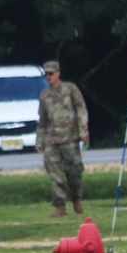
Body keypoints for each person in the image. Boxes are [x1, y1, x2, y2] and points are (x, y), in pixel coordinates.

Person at [36, 60, 89, 217]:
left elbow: (81, 109)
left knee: (74, 171)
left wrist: (83, 130)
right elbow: (42, 119)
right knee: (54, 173)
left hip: (70, 137)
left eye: (50, 73)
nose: (48, 77)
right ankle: (60, 205)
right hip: (52, 139)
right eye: (46, 74)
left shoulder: (70, 89)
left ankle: (76, 198)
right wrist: (40, 141)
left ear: (58, 73)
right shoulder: (44, 95)